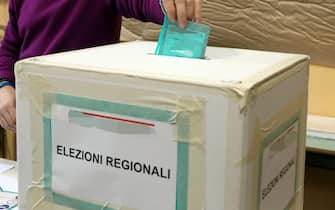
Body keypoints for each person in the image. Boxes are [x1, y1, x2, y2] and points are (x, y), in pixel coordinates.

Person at [0, 0, 203, 131]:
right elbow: (10, 46)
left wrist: (166, 4)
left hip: (82, 117)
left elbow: (142, 3)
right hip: (31, 109)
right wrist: (4, 84)